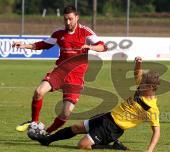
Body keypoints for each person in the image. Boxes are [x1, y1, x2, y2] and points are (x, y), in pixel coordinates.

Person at [32, 57, 161, 152]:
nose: (139, 83)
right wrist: (138, 64)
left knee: (83, 145)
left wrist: (149, 150)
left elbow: (156, 131)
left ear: (150, 87)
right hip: (107, 117)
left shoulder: (151, 108)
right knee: (76, 127)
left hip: (113, 129)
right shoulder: (142, 88)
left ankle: (113, 146)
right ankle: (46, 140)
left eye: (143, 83)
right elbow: (137, 74)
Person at [12, 5, 107, 134]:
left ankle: (46, 133)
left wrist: (90, 47)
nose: (68, 22)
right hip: (60, 72)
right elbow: (44, 44)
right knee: (39, 92)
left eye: (70, 19)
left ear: (77, 18)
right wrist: (25, 45)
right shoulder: (59, 33)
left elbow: (103, 47)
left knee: (66, 113)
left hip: (76, 77)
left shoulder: (85, 32)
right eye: (65, 19)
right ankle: (34, 122)